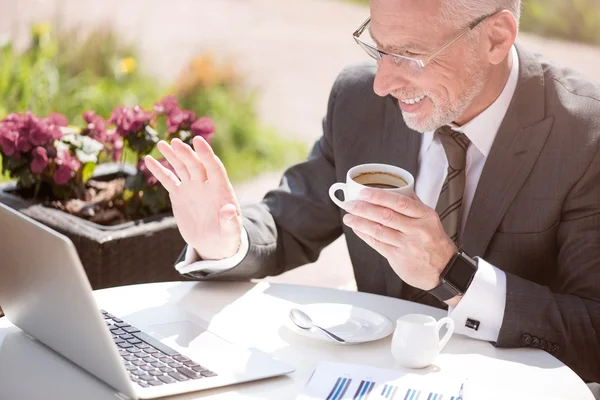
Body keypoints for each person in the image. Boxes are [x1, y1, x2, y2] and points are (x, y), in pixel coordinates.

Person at [145, 0, 600, 387]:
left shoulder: (585, 135)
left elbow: (592, 333)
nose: (383, 82)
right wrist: (225, 237)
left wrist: (453, 273)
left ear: (496, 39)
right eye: (378, 47)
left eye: (409, 55)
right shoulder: (360, 98)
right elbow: (288, 223)